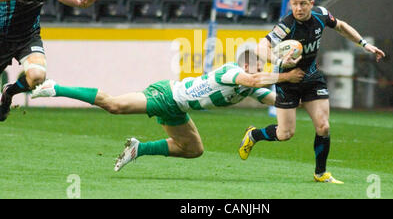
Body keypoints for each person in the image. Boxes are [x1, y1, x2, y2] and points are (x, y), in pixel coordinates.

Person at [30, 48, 305, 172]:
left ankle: (138, 149)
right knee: (113, 105)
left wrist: (301, 96)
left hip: (177, 108)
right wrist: (284, 77)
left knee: (194, 150)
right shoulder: (232, 72)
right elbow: (256, 81)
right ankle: (56, 88)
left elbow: (275, 99)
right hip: (166, 95)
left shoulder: (252, 86)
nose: (261, 71)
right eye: (258, 67)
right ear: (247, 66)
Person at [239, 0, 386, 184]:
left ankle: (321, 173)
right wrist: (280, 61)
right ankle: (254, 135)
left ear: (311, 3)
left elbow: (341, 26)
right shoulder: (286, 25)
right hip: (288, 82)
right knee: (285, 134)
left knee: (323, 126)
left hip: (312, 78)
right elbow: (261, 47)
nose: (298, 9)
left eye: (302, 4)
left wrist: (364, 44)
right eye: (294, 4)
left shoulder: (321, 15)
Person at [0, 0, 102, 121]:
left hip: (28, 37)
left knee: (38, 77)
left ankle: (8, 93)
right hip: (2, 35)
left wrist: (80, 3)